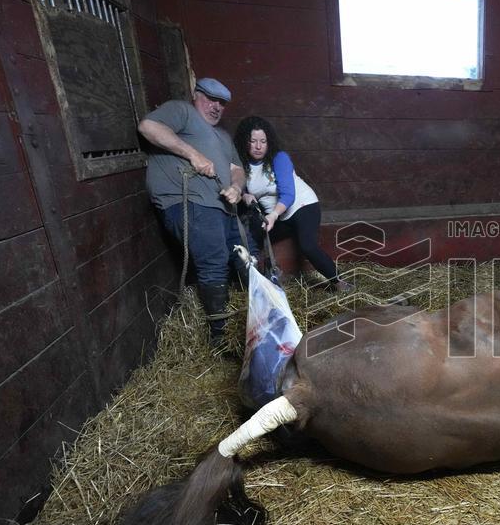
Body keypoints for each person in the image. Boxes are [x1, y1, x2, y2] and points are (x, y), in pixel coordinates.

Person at [137, 77, 254, 344]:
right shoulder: (182, 111)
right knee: (214, 262)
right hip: (191, 202)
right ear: (196, 95)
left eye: (221, 103)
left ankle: (260, 318)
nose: (216, 107)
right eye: (210, 99)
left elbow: (237, 170)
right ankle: (220, 337)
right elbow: (148, 126)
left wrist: (236, 188)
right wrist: (193, 154)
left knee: (247, 256)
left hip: (224, 207)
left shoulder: (223, 136)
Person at [233, 116, 352, 292]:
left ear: (269, 142)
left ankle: (340, 283)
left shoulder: (279, 158)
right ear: (245, 141)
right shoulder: (243, 166)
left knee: (307, 246)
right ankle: (266, 280)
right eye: (253, 141)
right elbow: (238, 183)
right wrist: (244, 194)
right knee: (251, 237)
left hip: (301, 205)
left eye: (263, 141)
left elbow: (288, 194)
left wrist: (273, 215)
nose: (258, 147)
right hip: (276, 215)